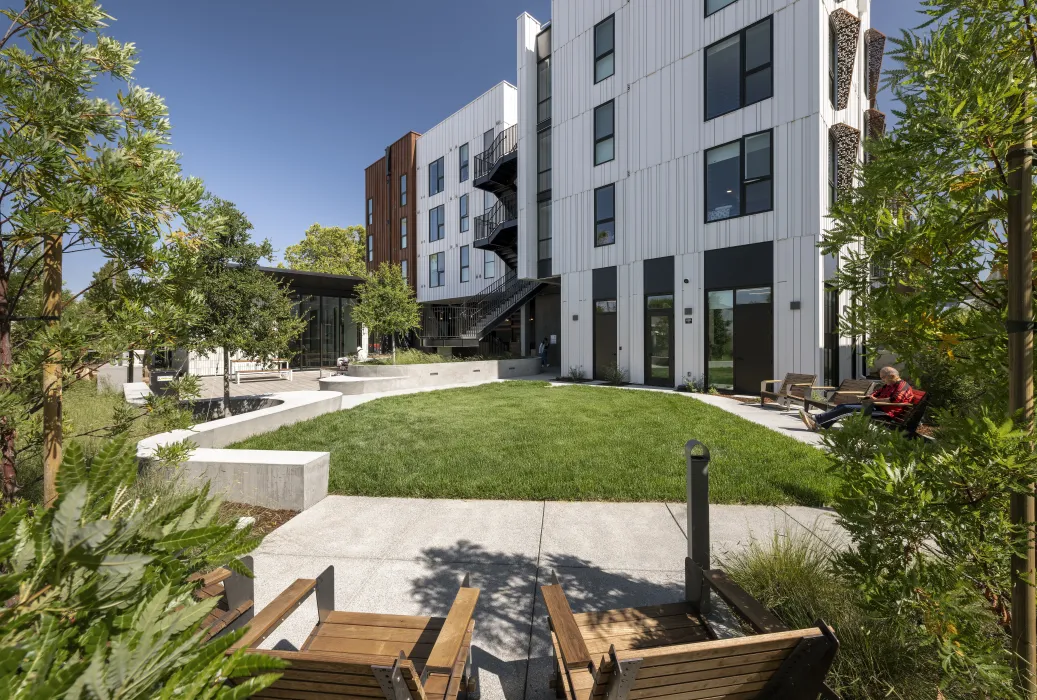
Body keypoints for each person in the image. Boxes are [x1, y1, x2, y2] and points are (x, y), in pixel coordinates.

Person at [800, 366, 915, 431]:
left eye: (883, 378)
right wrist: (871, 397)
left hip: (885, 412)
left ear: (892, 376)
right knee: (841, 406)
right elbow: (877, 392)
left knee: (846, 409)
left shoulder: (902, 386)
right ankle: (819, 423)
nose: (882, 380)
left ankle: (816, 420)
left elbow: (894, 400)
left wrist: (874, 400)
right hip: (874, 406)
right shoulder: (889, 384)